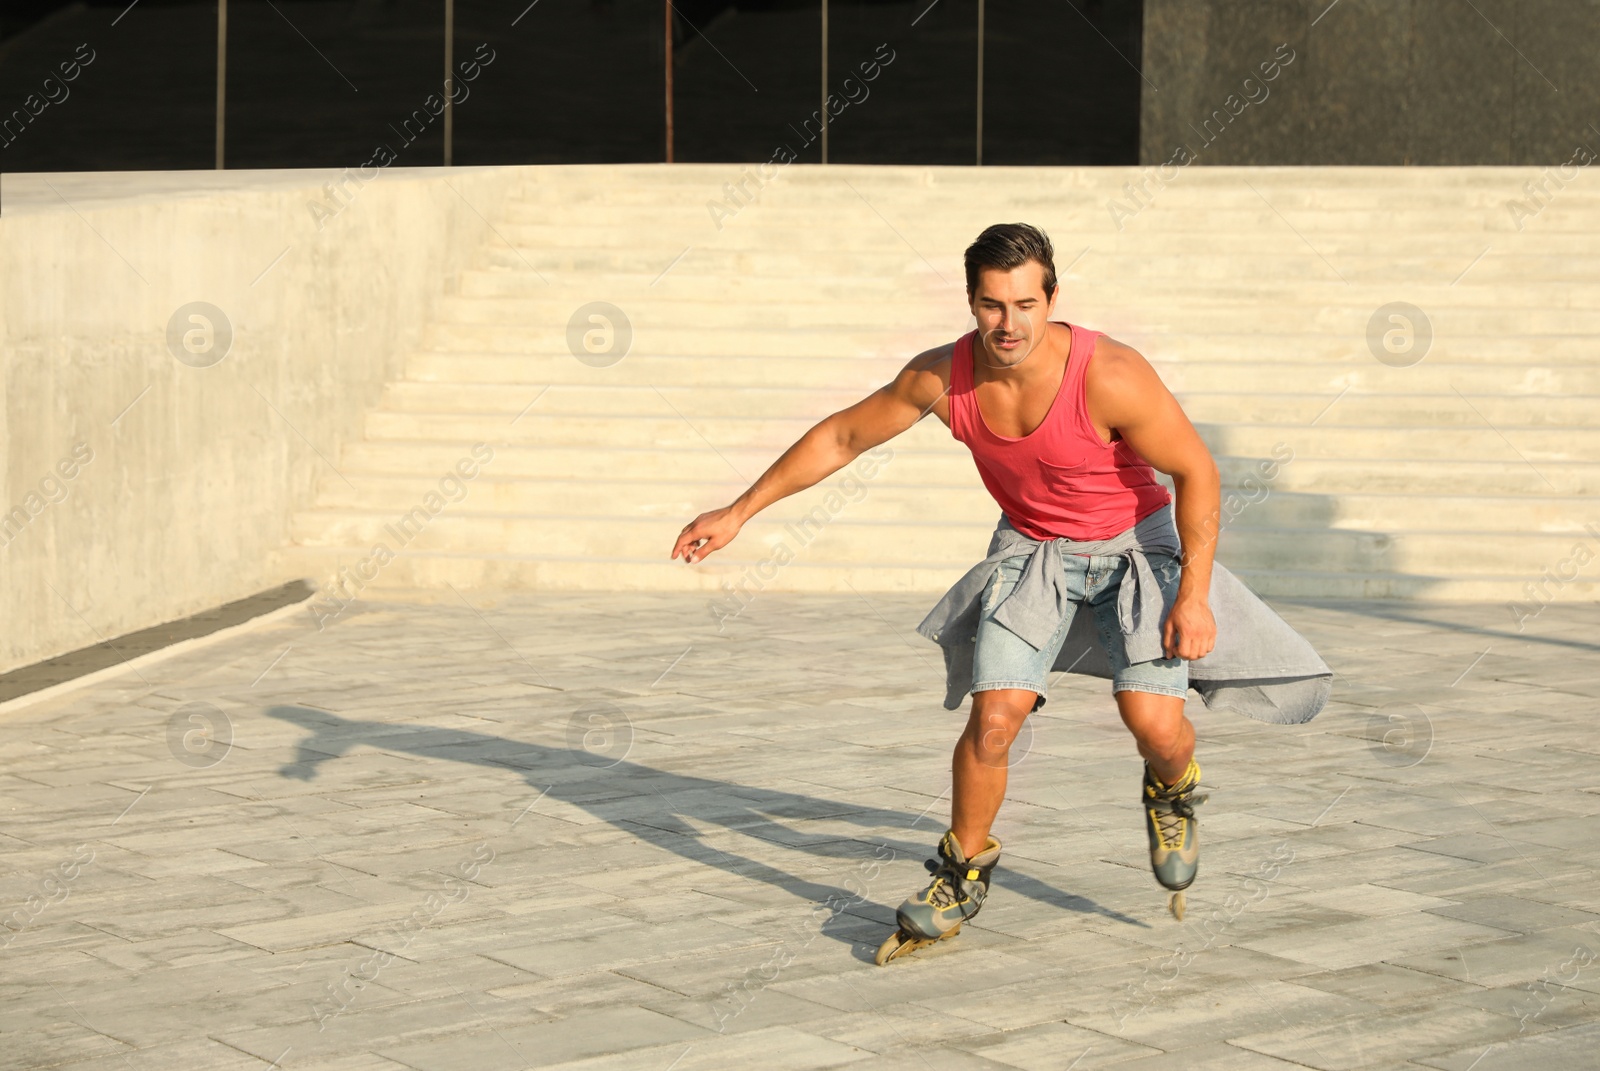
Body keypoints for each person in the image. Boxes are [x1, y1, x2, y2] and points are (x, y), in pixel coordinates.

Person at [670, 222, 1330, 963]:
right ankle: (962, 871)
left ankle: (1172, 789)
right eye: (991, 305)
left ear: (1051, 298)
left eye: (1024, 303)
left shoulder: (1109, 373)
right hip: (1031, 550)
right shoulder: (942, 377)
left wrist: (1195, 594)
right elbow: (844, 438)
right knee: (995, 717)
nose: (1008, 324)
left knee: (1155, 725)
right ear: (971, 301)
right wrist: (738, 511)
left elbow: (1198, 472)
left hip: (1135, 548)